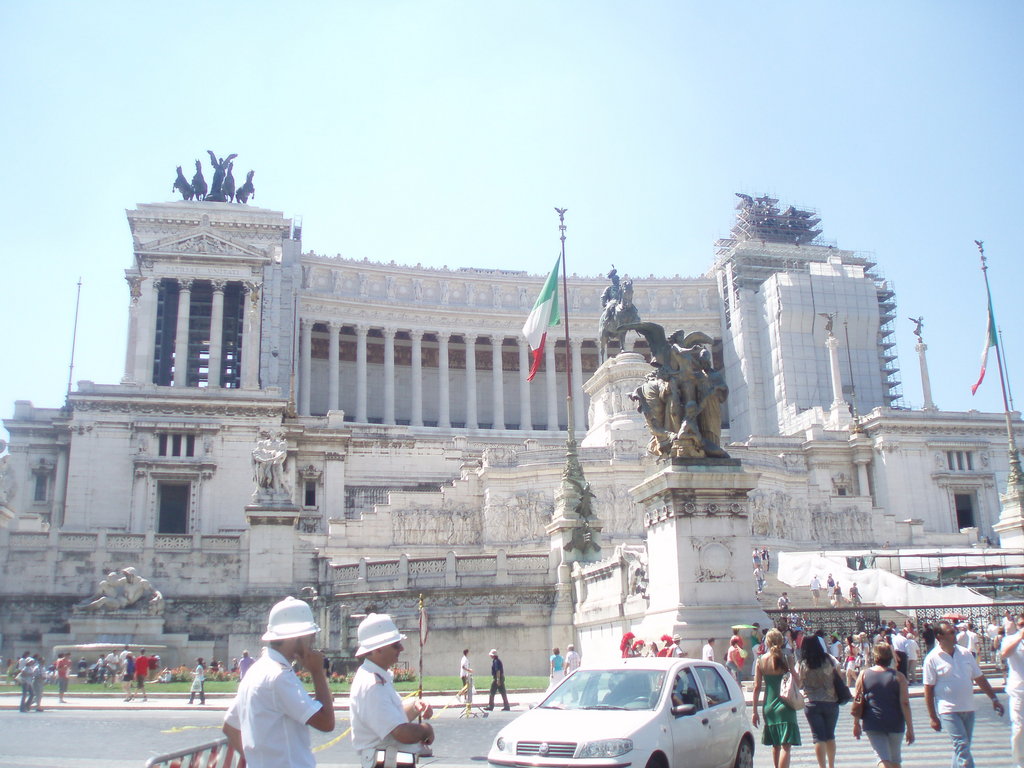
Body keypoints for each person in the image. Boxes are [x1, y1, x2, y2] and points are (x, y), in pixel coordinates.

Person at [223, 596, 335, 768]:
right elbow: (327, 722)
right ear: (297, 638)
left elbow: (230, 728)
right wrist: (317, 672)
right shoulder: (280, 676)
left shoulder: (256, 670)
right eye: (310, 636)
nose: (313, 641)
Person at [349, 613, 433, 768]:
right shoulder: (372, 684)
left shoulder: (377, 677)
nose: (401, 648)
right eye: (395, 645)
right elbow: (400, 732)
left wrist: (415, 706)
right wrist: (425, 730)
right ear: (378, 649)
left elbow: (392, 718)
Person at [923, 620, 1004, 768]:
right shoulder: (931, 659)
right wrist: (932, 716)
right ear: (939, 636)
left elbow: (979, 677)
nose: (955, 635)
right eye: (951, 632)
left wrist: (993, 698)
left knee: (961, 748)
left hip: (968, 707)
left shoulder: (965, 653)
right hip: (948, 710)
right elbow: (928, 689)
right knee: (962, 746)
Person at [852, 642, 914, 768]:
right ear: (890, 657)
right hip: (895, 722)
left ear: (875, 657)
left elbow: (858, 699)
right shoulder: (899, 677)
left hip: (873, 721)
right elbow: (905, 703)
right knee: (895, 760)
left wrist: (856, 723)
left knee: (883, 758)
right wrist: (910, 728)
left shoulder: (864, 674)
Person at [752, 628, 801, 768]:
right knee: (786, 746)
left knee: (776, 744)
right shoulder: (787, 658)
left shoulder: (760, 660)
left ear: (767, 642)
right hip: (786, 704)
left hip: (769, 705)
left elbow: (756, 687)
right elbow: (797, 680)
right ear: (781, 641)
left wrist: (754, 711)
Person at [799, 635, 840, 768]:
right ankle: (832, 765)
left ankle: (822, 766)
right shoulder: (828, 659)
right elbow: (839, 673)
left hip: (812, 702)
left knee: (818, 737)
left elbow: (800, 682)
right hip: (830, 700)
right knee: (830, 735)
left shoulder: (803, 663)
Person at [1000, 613, 1024, 768]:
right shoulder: (1010, 639)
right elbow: (1005, 654)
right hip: (1018, 692)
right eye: (1021, 624)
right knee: (1019, 727)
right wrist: (1020, 637)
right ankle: (1020, 762)